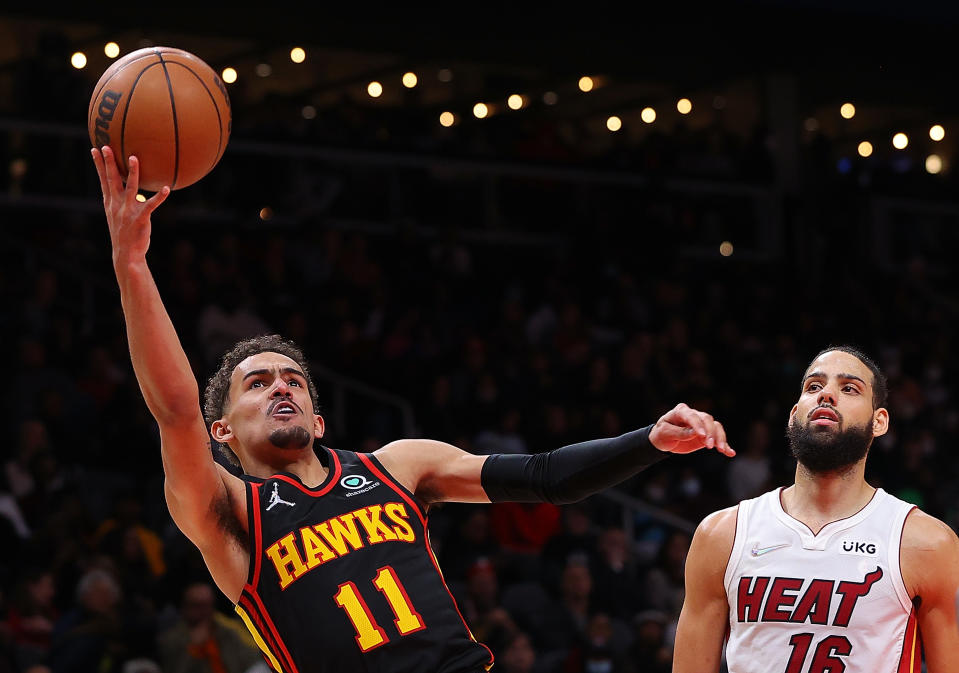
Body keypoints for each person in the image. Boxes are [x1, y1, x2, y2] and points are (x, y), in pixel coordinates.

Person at [90, 146, 735, 673]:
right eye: (257, 384)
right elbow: (174, 410)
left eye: (294, 379)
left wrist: (647, 440)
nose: (281, 386)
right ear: (222, 429)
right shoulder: (228, 512)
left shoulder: (398, 467)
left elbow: (543, 477)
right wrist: (131, 262)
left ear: (319, 420)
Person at [673, 345, 959, 672]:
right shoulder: (721, 534)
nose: (826, 395)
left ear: (879, 421)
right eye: (814, 386)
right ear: (794, 414)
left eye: (849, 388)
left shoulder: (926, 542)